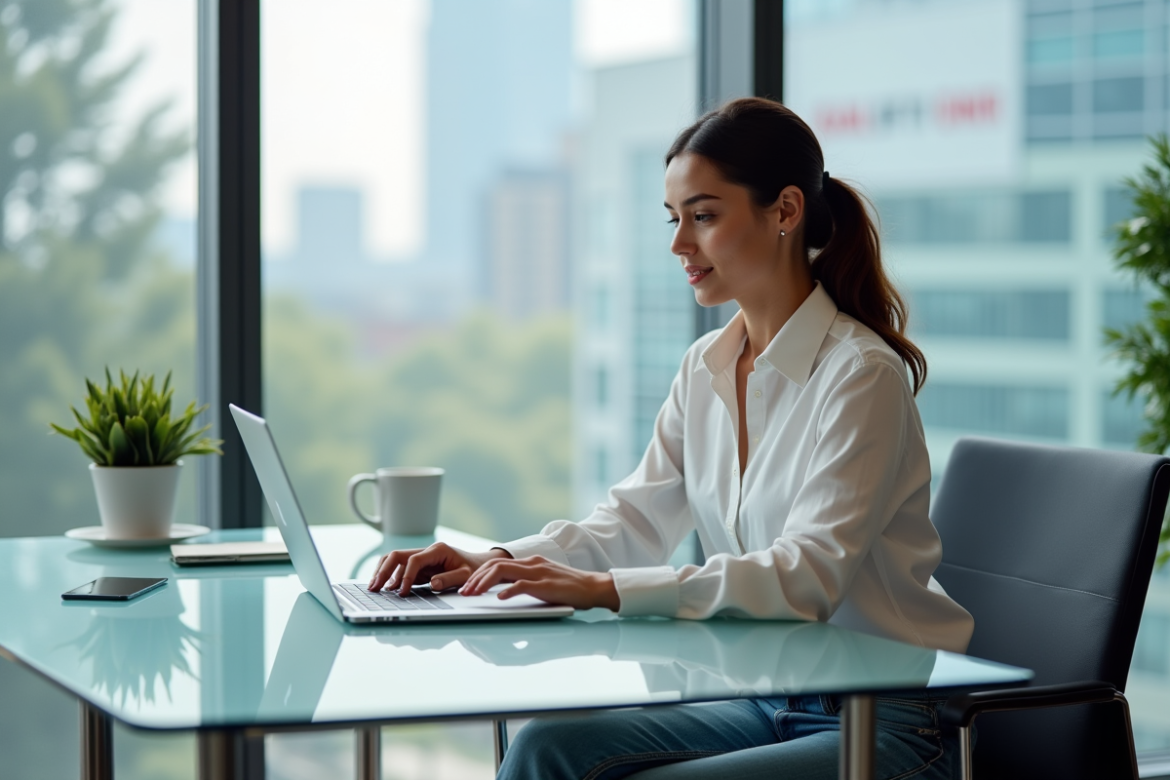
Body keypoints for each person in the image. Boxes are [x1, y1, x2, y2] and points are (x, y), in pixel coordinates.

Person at [367, 97, 975, 780]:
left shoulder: (861, 375)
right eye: (675, 218)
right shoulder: (707, 365)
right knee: (544, 747)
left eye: (704, 216)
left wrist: (601, 589)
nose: (679, 243)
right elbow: (633, 519)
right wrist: (497, 560)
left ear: (785, 211)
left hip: (887, 723)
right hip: (764, 694)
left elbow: (807, 578)